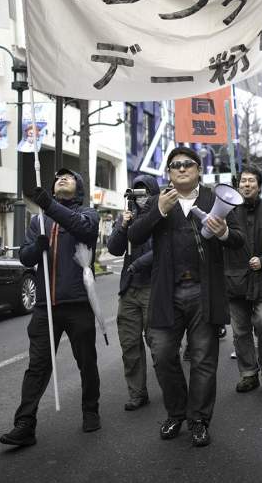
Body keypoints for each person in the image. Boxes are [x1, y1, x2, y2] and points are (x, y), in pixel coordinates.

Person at [127, 146, 244, 448]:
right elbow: (135, 236)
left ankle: (199, 420)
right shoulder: (157, 200)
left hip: (203, 293)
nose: (181, 169)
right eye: (174, 165)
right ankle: (176, 412)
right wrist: (159, 211)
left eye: (187, 164)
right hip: (167, 293)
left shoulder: (213, 198)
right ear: (168, 173)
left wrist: (222, 234)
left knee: (204, 360)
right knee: (163, 356)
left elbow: (240, 239)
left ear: (198, 170)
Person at [0, 168, 101, 447]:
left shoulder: (88, 215)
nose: (62, 179)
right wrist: (37, 248)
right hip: (45, 306)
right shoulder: (38, 221)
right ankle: (25, 423)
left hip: (79, 303)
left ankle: (90, 409)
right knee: (38, 366)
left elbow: (83, 229)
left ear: (79, 187)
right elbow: (25, 257)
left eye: (69, 177)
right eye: (57, 178)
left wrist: (49, 205)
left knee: (86, 362)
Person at [105, 174, 160, 411]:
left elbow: (162, 249)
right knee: (129, 344)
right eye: (136, 193)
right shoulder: (127, 216)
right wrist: (123, 226)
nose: (140, 198)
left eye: (144, 192)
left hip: (153, 287)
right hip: (129, 289)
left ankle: (173, 389)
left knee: (159, 345)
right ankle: (137, 393)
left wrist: (140, 264)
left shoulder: (162, 215)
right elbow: (115, 248)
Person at [224, 165, 262, 393]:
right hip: (234, 280)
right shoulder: (227, 211)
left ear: (259, 185)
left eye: (251, 181)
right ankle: (248, 373)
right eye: (243, 181)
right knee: (240, 331)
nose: (246, 185)